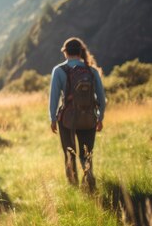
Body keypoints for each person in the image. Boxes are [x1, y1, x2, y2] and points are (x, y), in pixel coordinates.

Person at [49, 37, 106, 190]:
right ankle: (89, 182)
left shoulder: (59, 70)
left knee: (69, 153)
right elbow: (101, 97)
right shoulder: (92, 70)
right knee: (87, 153)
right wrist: (100, 118)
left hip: (67, 118)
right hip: (89, 117)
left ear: (65, 52)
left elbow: (54, 97)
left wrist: (53, 119)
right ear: (81, 52)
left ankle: (73, 186)